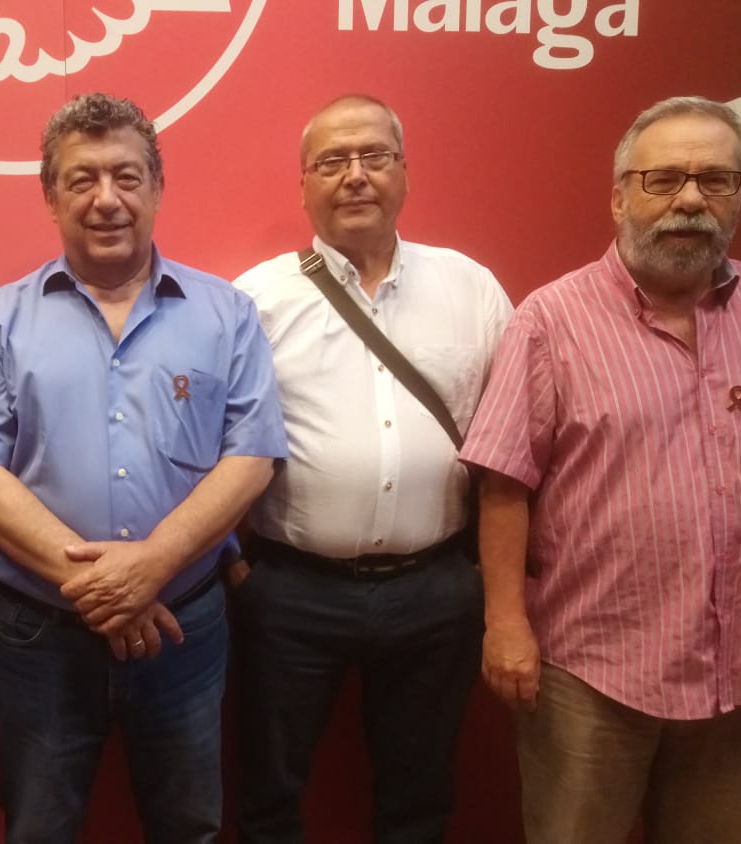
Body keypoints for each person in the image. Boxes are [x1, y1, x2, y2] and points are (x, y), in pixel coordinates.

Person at [460, 96, 741, 844]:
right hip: (592, 667)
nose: (690, 200)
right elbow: (505, 486)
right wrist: (505, 623)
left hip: (737, 661)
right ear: (619, 197)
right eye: (664, 178)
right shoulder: (551, 320)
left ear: (739, 192)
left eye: (716, 180)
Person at [0, 92, 287, 843]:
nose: (106, 199)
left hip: (185, 624)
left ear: (157, 188)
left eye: (127, 177)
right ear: (50, 196)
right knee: (38, 829)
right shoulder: (0, 319)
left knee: (189, 827)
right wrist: (108, 588)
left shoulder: (227, 313)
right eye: (82, 179)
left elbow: (252, 456)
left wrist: (153, 566)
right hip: (42, 633)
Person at [230, 94, 512, 844]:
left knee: (420, 795)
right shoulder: (254, 301)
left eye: (373, 156)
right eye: (331, 161)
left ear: (404, 171)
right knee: (268, 794)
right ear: (303, 185)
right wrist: (234, 566)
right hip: (292, 593)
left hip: (436, 588)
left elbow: (514, 442)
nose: (354, 175)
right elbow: (209, 448)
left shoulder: (471, 288)